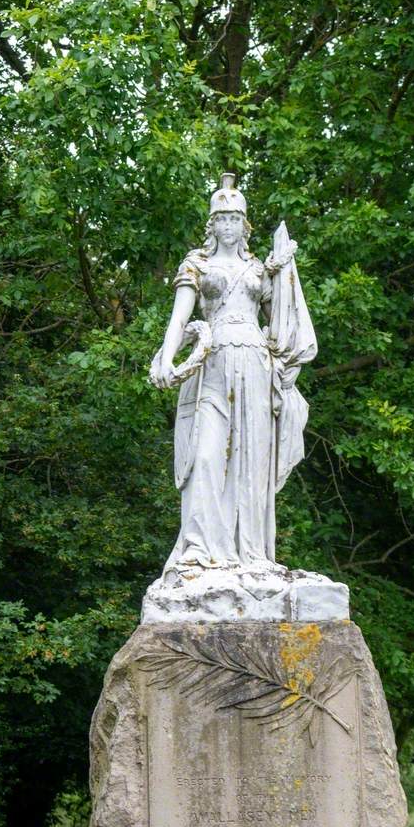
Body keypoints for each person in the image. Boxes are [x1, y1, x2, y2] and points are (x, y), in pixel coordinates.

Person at [151, 174, 316, 578]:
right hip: (211, 363)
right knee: (206, 455)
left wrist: (283, 272)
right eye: (221, 219)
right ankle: (198, 549)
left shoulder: (260, 268)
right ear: (212, 225)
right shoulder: (198, 263)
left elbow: (282, 321)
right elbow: (180, 317)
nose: (228, 226)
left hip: (254, 366)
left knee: (250, 459)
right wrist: (166, 358)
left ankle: (250, 553)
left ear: (244, 226)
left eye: (234, 219)